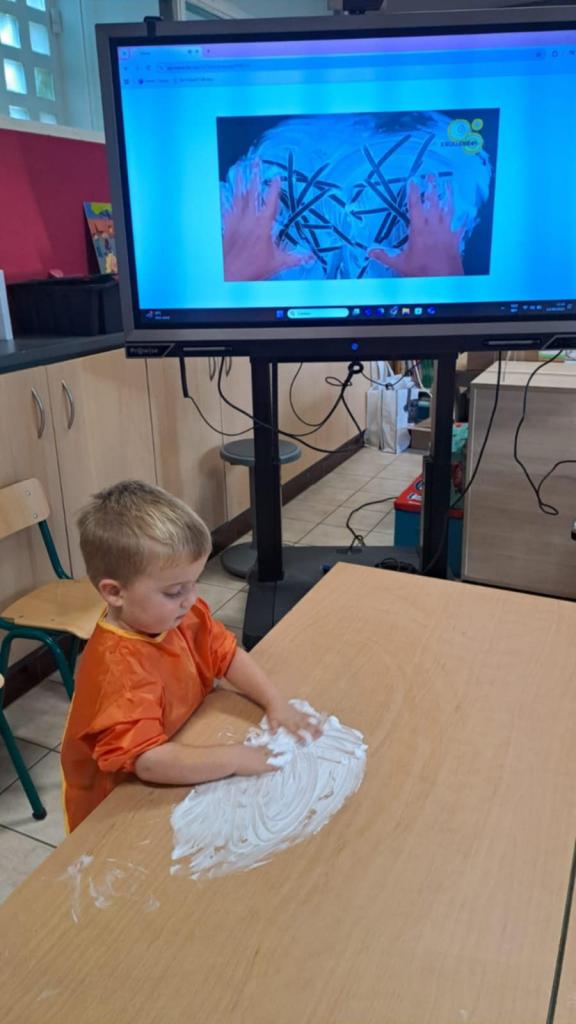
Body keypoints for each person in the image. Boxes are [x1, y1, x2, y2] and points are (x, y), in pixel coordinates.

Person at [61, 480, 320, 831]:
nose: (190, 599)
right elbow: (148, 761)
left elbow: (228, 656)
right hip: (114, 802)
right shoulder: (118, 670)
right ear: (115, 593)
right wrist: (233, 758)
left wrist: (275, 702)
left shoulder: (177, 614)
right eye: (174, 591)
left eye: (193, 583)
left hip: (177, 741)